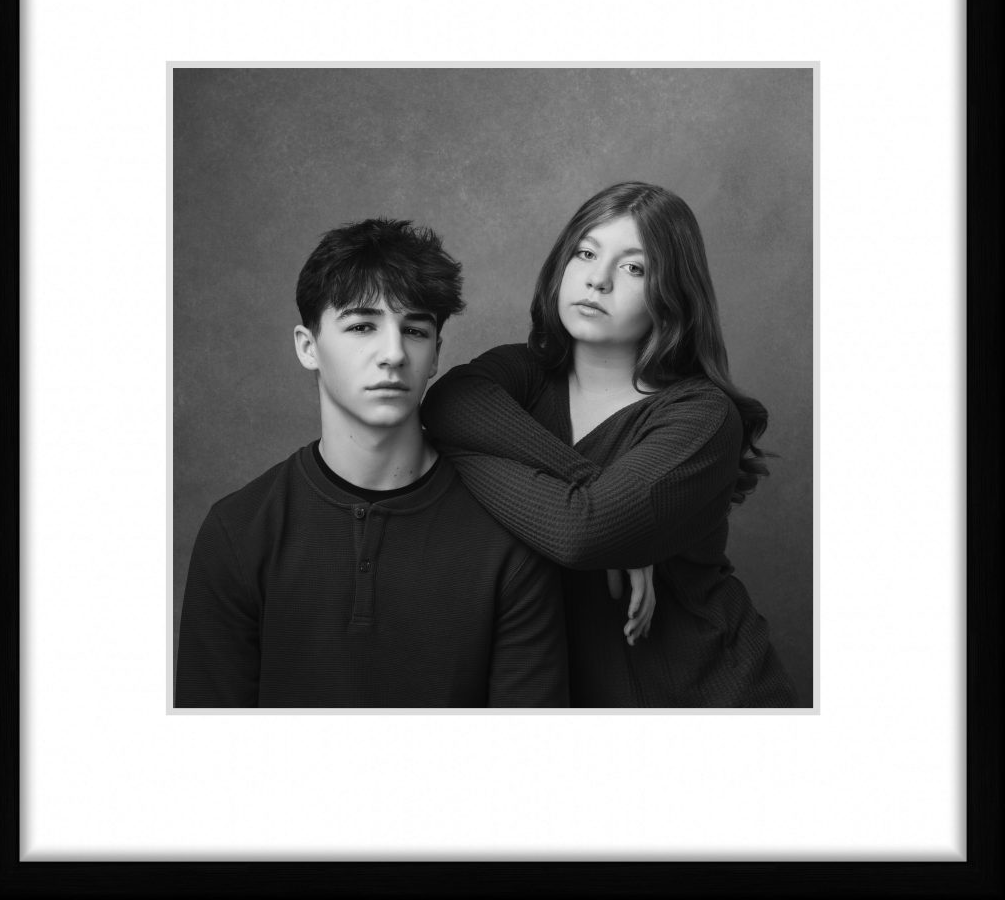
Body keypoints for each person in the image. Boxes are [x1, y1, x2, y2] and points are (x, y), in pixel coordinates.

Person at [421, 182, 798, 707]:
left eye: (633, 268)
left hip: (701, 697)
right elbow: (443, 405)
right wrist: (599, 493)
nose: (597, 280)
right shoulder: (524, 375)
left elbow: (583, 533)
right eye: (586, 253)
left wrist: (603, 521)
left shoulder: (701, 417)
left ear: (673, 294)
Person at [175, 218, 568, 707]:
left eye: (415, 330)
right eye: (362, 326)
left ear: (437, 355)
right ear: (307, 347)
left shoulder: (507, 539)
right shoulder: (238, 530)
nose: (394, 353)